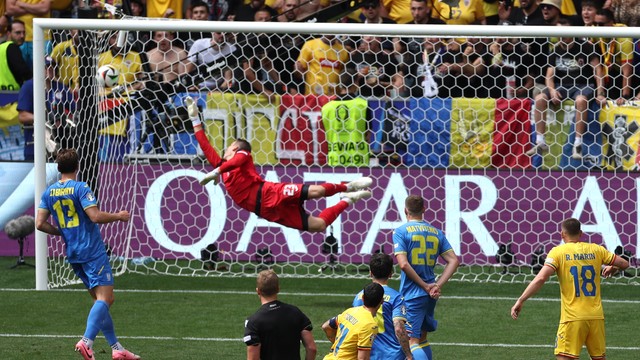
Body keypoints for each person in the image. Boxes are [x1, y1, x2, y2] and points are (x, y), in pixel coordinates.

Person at [186, 96, 372, 232]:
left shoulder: (243, 157)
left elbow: (239, 159)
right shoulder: (222, 167)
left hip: (270, 192)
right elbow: (205, 144)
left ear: (235, 148)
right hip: (266, 211)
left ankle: (348, 186)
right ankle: (349, 199)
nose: (225, 149)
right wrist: (195, 118)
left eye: (230, 147)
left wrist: (217, 171)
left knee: (318, 192)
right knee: (319, 225)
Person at [35, 149, 140, 360]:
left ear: (58, 168)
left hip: (73, 252)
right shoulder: (80, 187)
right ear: (78, 167)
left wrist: (60, 231)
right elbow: (95, 216)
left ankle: (117, 348)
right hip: (91, 250)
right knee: (106, 298)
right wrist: (118, 216)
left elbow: (39, 223)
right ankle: (86, 341)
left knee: (100, 301)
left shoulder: (49, 192)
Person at [510, 218, 630, 360]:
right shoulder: (597, 249)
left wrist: (521, 300)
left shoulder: (558, 252)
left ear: (562, 234)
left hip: (572, 318)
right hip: (596, 317)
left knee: (564, 357)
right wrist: (613, 268)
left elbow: (540, 278)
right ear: (581, 233)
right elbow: (624, 263)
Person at [526, 18, 604, 160]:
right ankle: (540, 141)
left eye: (565, 32)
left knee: (581, 100)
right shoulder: (555, 49)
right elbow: (549, 76)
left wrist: (600, 93)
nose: (562, 35)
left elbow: (598, 70)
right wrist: (551, 90)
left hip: (583, 85)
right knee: (539, 98)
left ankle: (578, 144)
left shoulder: (586, 47)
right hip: (562, 86)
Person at [393, 194, 460, 360]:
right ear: (424, 209)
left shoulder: (401, 232)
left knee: (410, 341)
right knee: (422, 338)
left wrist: (424, 285)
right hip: (431, 294)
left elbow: (403, 264)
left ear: (405, 210)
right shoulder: (436, 232)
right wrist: (437, 285)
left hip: (412, 293)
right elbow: (454, 261)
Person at [244, 269, 317, 360]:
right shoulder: (295, 312)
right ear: (278, 289)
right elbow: (311, 348)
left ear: (258, 291)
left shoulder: (253, 321)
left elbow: (253, 358)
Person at [352, 253, 412, 360]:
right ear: (391, 274)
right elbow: (398, 328)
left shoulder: (359, 297)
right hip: (392, 355)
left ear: (370, 273)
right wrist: (408, 355)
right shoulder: (396, 297)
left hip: (368, 354)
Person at [322, 282, 384, 360]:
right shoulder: (369, 324)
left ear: (363, 298)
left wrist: (340, 346)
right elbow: (363, 358)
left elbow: (326, 326)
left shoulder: (350, 311)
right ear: (382, 301)